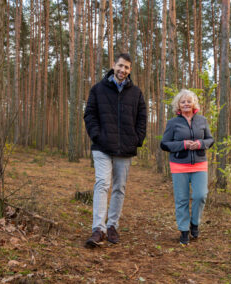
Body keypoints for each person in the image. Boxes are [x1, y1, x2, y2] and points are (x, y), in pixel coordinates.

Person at [83, 53, 147, 248]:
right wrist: (97, 135)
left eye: (127, 67)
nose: (123, 70)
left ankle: (112, 226)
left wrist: (137, 139)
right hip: (102, 146)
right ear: (113, 65)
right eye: (120, 66)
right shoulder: (98, 89)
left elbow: (142, 119)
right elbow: (90, 115)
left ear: (130, 70)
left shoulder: (136, 93)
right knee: (102, 183)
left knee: (119, 188)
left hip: (125, 149)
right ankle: (98, 229)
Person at [160, 89, 214, 245]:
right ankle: (184, 230)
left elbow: (210, 139)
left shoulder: (202, 120)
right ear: (178, 105)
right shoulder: (173, 123)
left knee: (200, 195)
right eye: (183, 101)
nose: (186, 104)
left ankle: (194, 223)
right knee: (182, 199)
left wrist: (200, 144)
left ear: (194, 103)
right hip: (179, 165)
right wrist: (182, 145)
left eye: (189, 101)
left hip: (200, 164)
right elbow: (164, 144)